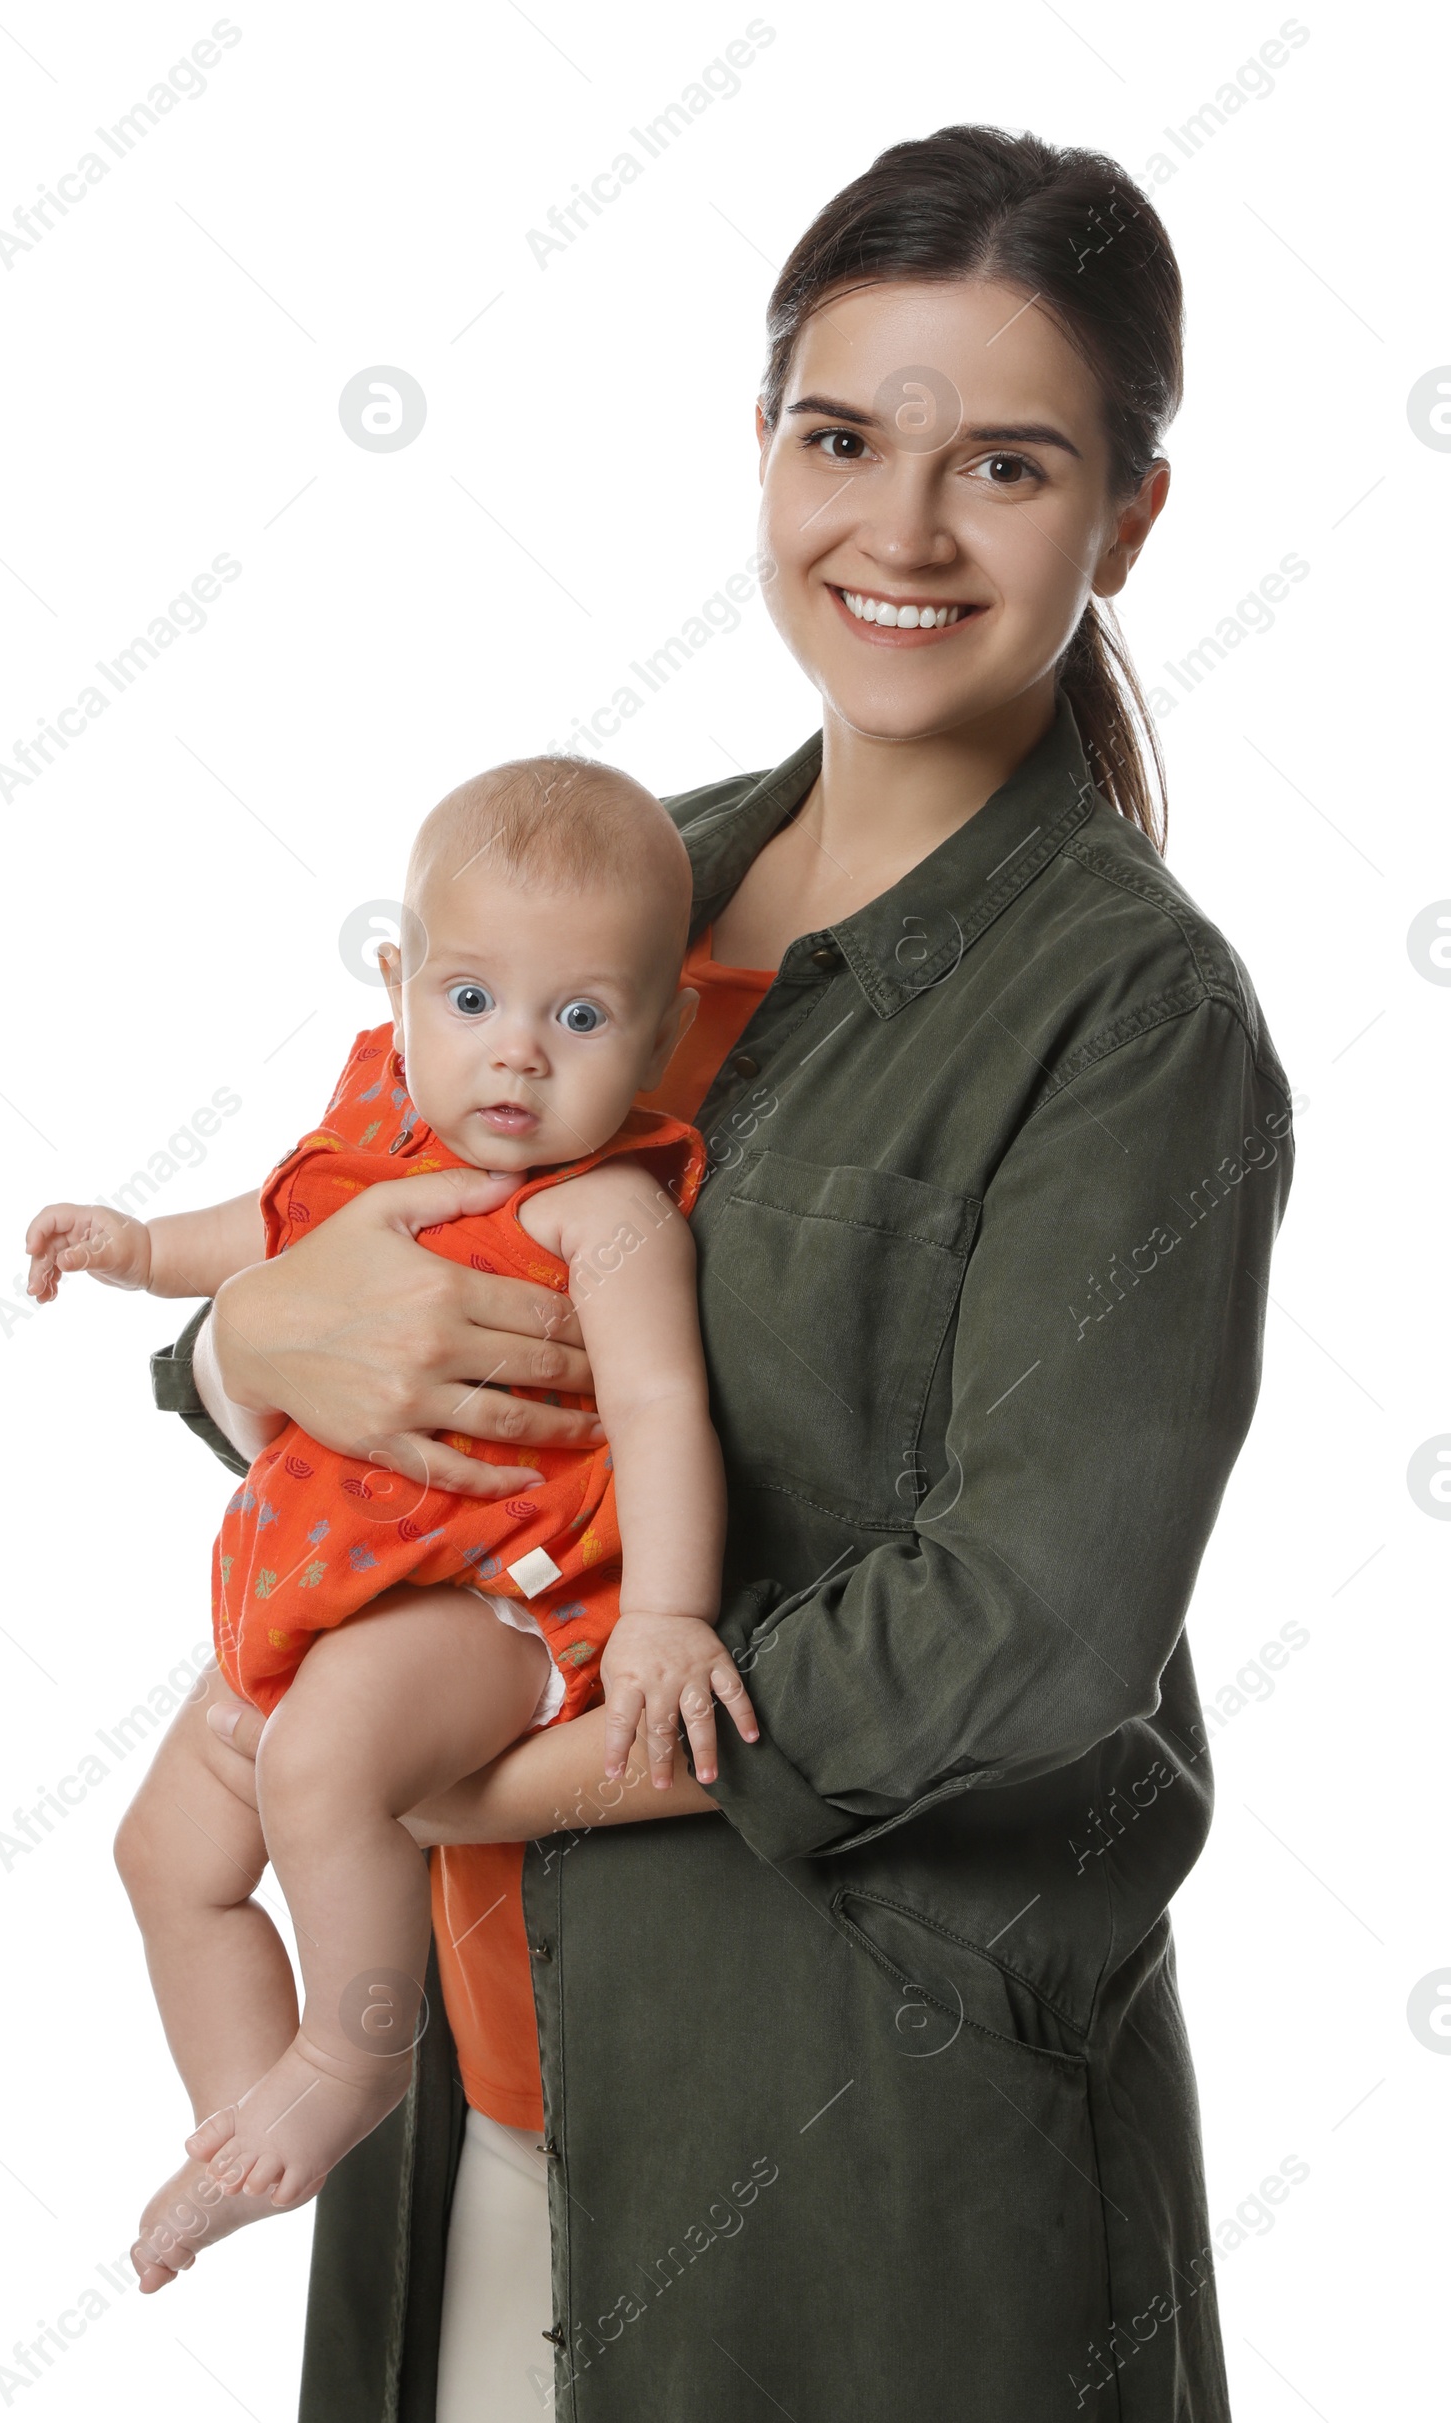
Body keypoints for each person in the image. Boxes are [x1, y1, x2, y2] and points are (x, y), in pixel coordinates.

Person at [149, 128, 1294, 2420]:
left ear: (1127, 522)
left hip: (849, 2149)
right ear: (759, 450)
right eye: (840, 438)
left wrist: (511, 1779)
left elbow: (1034, 1626)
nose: (901, 529)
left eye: (1005, 466)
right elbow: (348, 1244)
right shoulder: (609, 887)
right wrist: (231, 1343)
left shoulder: (1125, 1017)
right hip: (467, 2100)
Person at [23, 759, 757, 2289]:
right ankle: (238, 2123)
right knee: (164, 1850)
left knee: (328, 1761)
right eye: (475, 999)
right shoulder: (376, 1119)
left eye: (580, 1019)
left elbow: (661, 1418)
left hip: (501, 1604)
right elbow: (264, 1233)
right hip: (327, 1603)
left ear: (664, 1037)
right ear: (400, 985)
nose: (515, 1061)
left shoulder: (604, 1213)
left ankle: (350, 2060)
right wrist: (143, 1244)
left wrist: (673, 1618)